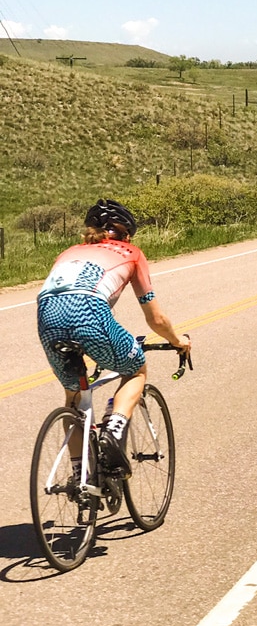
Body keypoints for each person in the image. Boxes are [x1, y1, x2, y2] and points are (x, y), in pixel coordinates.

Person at [36, 199, 191, 476]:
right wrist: (178, 341)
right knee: (136, 369)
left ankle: (80, 477)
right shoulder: (131, 252)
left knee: (73, 397)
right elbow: (155, 318)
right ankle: (113, 432)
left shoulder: (68, 252)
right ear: (126, 233)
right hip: (89, 312)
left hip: (46, 315)